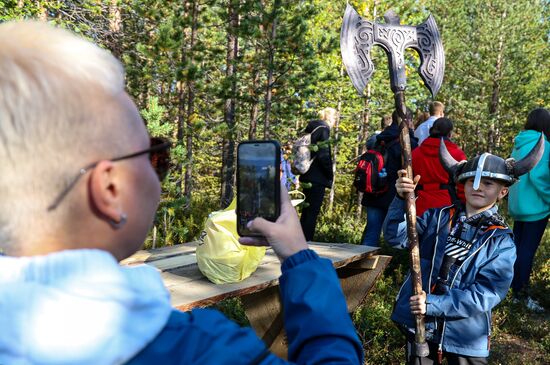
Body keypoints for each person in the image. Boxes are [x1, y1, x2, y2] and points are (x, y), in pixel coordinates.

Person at [0, 21, 363, 364]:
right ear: (110, 189)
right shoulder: (200, 349)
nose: (161, 168)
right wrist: (299, 257)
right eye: (154, 154)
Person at [383, 136, 544, 364]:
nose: (477, 187)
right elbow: (396, 236)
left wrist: (433, 304)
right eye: (471, 182)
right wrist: (401, 199)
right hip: (421, 328)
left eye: (488, 183)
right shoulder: (437, 218)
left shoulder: (500, 240)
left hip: (465, 338)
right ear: (463, 184)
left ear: (502, 192)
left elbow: (487, 292)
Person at [508, 107, 550, 312]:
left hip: (519, 205)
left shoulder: (519, 142)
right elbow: (538, 176)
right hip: (536, 207)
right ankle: (521, 295)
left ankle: (512, 290)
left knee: (516, 250)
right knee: (526, 251)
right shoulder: (544, 144)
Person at [360, 109, 418, 246]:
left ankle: (361, 265)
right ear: (408, 120)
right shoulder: (408, 141)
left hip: (374, 192)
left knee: (371, 233)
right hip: (394, 196)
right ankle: (392, 265)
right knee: (395, 236)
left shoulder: (378, 139)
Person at [412, 118, 467, 216]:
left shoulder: (415, 153)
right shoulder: (457, 154)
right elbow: (462, 184)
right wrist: (464, 204)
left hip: (419, 203)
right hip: (447, 204)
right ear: (449, 134)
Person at [299, 107, 336, 241]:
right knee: (312, 212)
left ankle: (299, 240)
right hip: (317, 177)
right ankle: (306, 242)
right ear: (329, 118)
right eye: (335, 117)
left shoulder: (311, 128)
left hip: (306, 173)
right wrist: (329, 175)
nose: (335, 121)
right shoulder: (323, 129)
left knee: (306, 212)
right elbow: (323, 155)